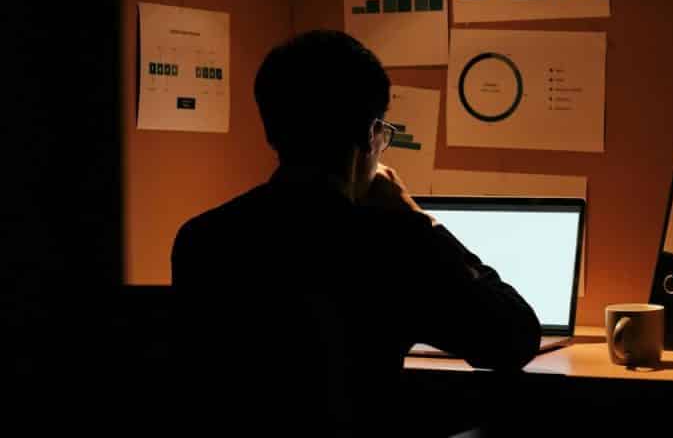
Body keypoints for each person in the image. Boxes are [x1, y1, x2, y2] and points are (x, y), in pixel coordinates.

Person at [171, 30, 540, 434]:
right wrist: (416, 218)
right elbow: (513, 339)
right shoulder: (388, 244)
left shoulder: (202, 238)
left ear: (271, 131)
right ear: (370, 134)